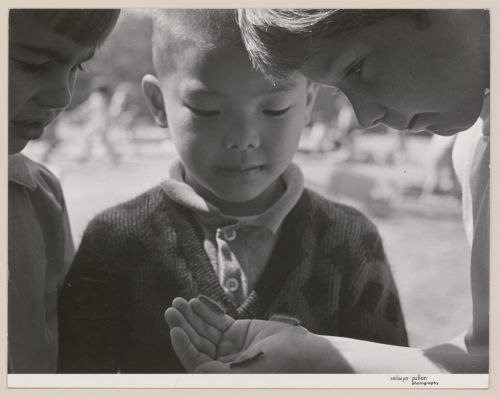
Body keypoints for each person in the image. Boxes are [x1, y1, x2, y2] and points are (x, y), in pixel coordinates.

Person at [57, 9, 408, 374]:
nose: (242, 138)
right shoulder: (115, 241)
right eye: (207, 110)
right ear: (159, 104)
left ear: (307, 101)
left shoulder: (352, 242)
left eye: (274, 109)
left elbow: (394, 377)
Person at [165, 9, 489, 373]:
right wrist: (312, 355)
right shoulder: (476, 145)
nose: (365, 117)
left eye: (357, 68)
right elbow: (485, 362)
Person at [8, 9, 120, 373]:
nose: (63, 95)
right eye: (33, 63)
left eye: (77, 68)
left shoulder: (40, 197)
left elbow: (72, 347)